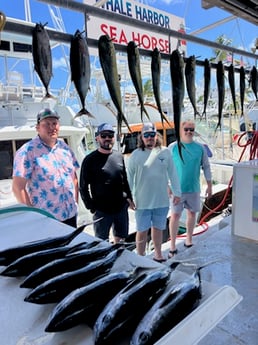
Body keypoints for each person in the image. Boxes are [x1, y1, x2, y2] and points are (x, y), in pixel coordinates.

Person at [12, 108, 79, 227]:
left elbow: (73, 177)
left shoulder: (65, 148)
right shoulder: (27, 151)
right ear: (37, 128)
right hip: (46, 219)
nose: (52, 127)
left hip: (70, 215)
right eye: (46, 124)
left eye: (54, 123)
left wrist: (76, 203)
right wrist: (33, 216)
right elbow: (18, 187)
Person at [127, 122, 181, 262]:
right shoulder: (135, 155)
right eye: (146, 135)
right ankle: (140, 258)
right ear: (142, 137)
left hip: (161, 200)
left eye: (152, 134)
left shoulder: (165, 152)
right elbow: (128, 179)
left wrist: (177, 192)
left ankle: (158, 254)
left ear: (156, 136)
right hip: (142, 202)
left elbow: (173, 174)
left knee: (158, 229)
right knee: (142, 231)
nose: (150, 137)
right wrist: (128, 198)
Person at [79, 123, 135, 243]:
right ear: (97, 138)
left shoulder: (119, 156)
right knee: (101, 241)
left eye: (110, 135)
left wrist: (129, 198)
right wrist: (91, 206)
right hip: (101, 210)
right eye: (103, 136)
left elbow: (124, 179)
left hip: (121, 207)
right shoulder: (89, 160)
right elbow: (83, 187)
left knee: (121, 240)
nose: (107, 138)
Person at [168, 119, 212, 258]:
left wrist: (210, 185)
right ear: (181, 130)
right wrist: (167, 186)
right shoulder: (172, 147)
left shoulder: (200, 148)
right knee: (175, 216)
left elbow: (206, 166)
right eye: (186, 129)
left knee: (192, 214)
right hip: (177, 190)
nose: (189, 132)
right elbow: (165, 168)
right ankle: (173, 245)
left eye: (191, 129)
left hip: (193, 188)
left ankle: (189, 239)